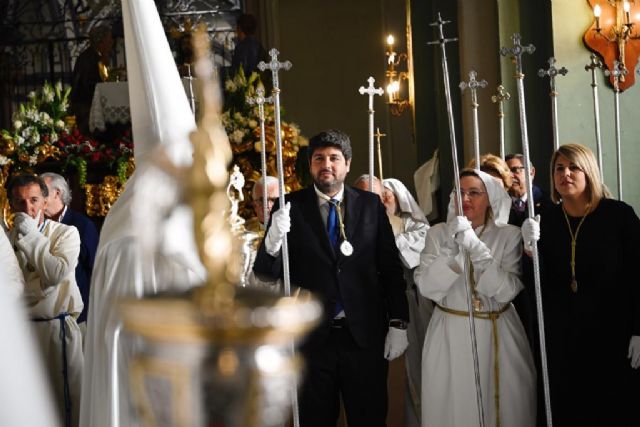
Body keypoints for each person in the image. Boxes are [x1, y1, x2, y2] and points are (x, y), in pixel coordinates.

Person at [253, 129, 409, 426]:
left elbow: (390, 269)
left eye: (334, 158)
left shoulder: (370, 205)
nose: (327, 164)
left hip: (364, 336)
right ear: (310, 165)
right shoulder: (289, 206)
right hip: (313, 339)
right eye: (319, 158)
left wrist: (398, 322)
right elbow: (264, 273)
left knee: (370, 418)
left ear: (347, 164)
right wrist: (272, 241)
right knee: (316, 420)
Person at [522, 143, 640, 426]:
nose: (566, 174)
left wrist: (639, 328)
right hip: (564, 340)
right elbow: (537, 287)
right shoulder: (545, 221)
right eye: (559, 168)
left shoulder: (619, 216)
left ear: (589, 171)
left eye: (574, 167)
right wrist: (528, 251)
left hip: (614, 335)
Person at [414, 169, 536, 427]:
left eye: (474, 192)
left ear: (490, 198)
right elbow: (426, 287)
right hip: (449, 331)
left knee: (505, 407)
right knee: (451, 405)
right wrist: (451, 254)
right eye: (459, 192)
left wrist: (477, 250)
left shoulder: (509, 235)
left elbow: (507, 291)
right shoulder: (437, 234)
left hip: (498, 329)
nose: (465, 198)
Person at [7, 174, 83, 427]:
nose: (27, 209)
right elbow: (5, 290)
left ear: (45, 200)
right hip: (19, 333)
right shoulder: (5, 241)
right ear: (10, 204)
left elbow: (56, 272)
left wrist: (30, 236)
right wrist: (41, 288)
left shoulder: (65, 234)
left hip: (55, 329)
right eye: (19, 202)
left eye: (34, 200)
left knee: (63, 406)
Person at [382, 178, 432, 427]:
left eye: (386, 195)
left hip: (411, 305)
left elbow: (409, 256)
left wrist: (385, 234)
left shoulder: (415, 226)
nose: (382, 201)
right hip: (378, 308)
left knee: (416, 368)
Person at [41, 172, 99, 326]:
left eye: (42, 191)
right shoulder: (36, 224)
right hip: (43, 314)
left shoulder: (83, 225)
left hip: (77, 316)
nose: (37, 196)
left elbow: (95, 270)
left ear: (57, 193)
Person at [70, 25, 114, 134]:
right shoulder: (87, 58)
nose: (112, 42)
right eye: (109, 39)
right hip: (86, 107)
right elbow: (86, 85)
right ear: (100, 42)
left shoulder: (100, 56)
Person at [505, 153, 548, 227]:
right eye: (506, 172)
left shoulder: (548, 201)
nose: (510, 176)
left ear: (531, 172)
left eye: (515, 170)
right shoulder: (498, 203)